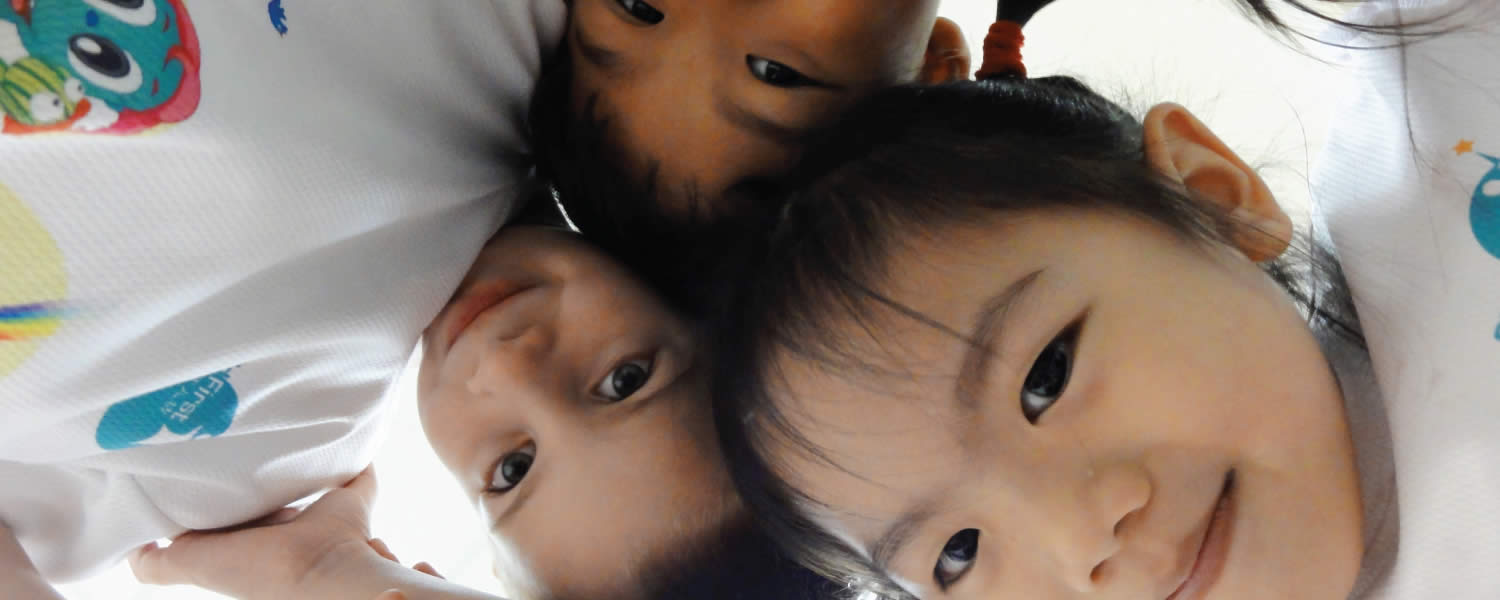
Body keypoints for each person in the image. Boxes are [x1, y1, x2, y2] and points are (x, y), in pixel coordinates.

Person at [703, 1, 1498, 598]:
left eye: (1046, 378)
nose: (1079, 536)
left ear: (1213, 196)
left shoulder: (1436, 111)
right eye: (957, 554)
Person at [0, 0, 564, 595]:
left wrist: (327, 574)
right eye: (622, 381)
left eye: (514, 469)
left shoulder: (278, 441)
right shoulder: (520, 42)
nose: (511, 366)